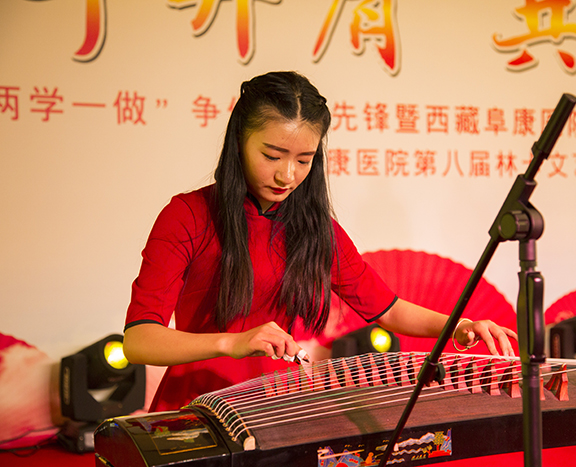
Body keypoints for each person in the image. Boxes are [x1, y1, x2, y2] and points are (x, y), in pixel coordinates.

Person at [123, 71, 517, 412]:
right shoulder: (189, 215)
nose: (287, 175)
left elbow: (388, 309)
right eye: (272, 156)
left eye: (303, 160)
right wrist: (232, 343)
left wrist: (459, 325)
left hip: (278, 406)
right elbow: (139, 340)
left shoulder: (313, 228)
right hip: (199, 405)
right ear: (239, 140)